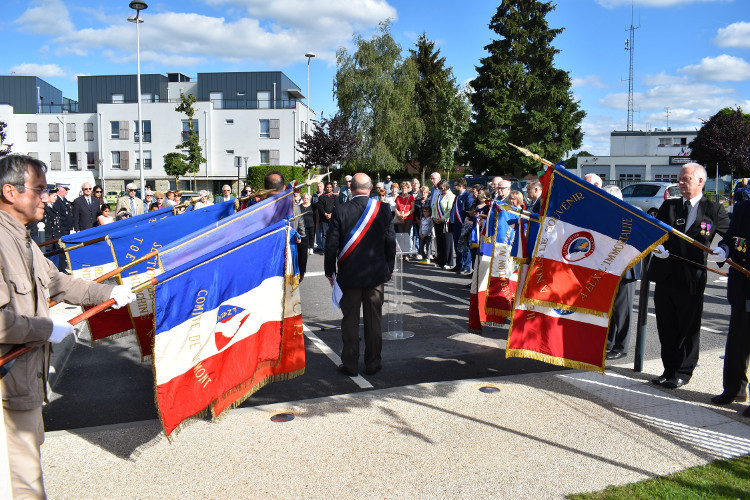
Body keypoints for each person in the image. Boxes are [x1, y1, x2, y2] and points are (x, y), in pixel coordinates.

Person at [0, 154, 136, 498]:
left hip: (26, 384)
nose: (47, 198)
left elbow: (59, 283)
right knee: (23, 485)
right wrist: (46, 329)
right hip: (7, 389)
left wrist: (110, 292)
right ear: (10, 192)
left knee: (28, 476)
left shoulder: (23, 240)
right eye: (40, 190)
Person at [648, 163, 729, 389]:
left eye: (686, 179)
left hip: (691, 277)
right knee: (666, 325)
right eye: (680, 179)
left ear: (700, 181)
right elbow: (655, 231)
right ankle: (669, 369)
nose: (680, 183)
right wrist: (656, 246)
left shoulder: (713, 209)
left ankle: (684, 371)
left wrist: (724, 249)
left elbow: (731, 235)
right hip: (666, 275)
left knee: (688, 327)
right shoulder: (670, 205)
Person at [325, 173, 396, 376]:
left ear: (351, 188)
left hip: (349, 275)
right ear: (371, 187)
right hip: (375, 275)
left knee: (350, 320)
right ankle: (373, 363)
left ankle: (350, 364)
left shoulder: (340, 210)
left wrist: (329, 271)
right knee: (374, 320)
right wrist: (388, 269)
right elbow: (390, 242)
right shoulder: (382, 209)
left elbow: (331, 245)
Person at [708, 201, 750, 415]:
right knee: (737, 342)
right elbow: (731, 237)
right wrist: (723, 250)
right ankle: (734, 390)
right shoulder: (743, 208)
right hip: (742, 286)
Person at [599, 184, 640, 360]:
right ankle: (609, 342)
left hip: (625, 270)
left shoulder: (630, 216)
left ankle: (621, 347)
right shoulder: (608, 216)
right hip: (609, 269)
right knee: (610, 308)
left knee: (623, 311)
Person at [263, 171, 306, 280]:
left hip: (263, 262)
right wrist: (301, 268)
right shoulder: (294, 208)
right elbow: (302, 237)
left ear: (264, 187)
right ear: (283, 188)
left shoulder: (255, 208)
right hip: (287, 260)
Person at [450, 177, 474, 275]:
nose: (454, 187)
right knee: (457, 244)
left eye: (455, 185)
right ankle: (459, 264)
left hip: (464, 224)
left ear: (460, 186)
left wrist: (466, 220)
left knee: (465, 245)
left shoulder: (468, 196)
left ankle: (466, 266)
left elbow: (469, 210)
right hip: (456, 224)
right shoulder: (457, 196)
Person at [432, 179, 455, 269]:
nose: (440, 190)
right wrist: (433, 217)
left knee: (447, 242)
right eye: (439, 188)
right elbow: (434, 207)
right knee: (439, 241)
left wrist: (442, 219)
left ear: (446, 186)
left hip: (446, 221)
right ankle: (440, 261)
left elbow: (449, 209)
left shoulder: (451, 196)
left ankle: (448, 262)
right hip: (437, 221)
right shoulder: (439, 195)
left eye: (441, 188)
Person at [317, 182, 338, 252]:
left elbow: (337, 207)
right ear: (325, 188)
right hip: (324, 219)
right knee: (325, 234)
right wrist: (325, 214)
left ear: (332, 188)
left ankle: (332, 248)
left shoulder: (335, 197)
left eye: (330, 187)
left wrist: (331, 214)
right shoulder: (321, 197)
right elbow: (320, 207)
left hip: (333, 218)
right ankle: (325, 249)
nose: (328, 189)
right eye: (327, 187)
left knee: (333, 233)